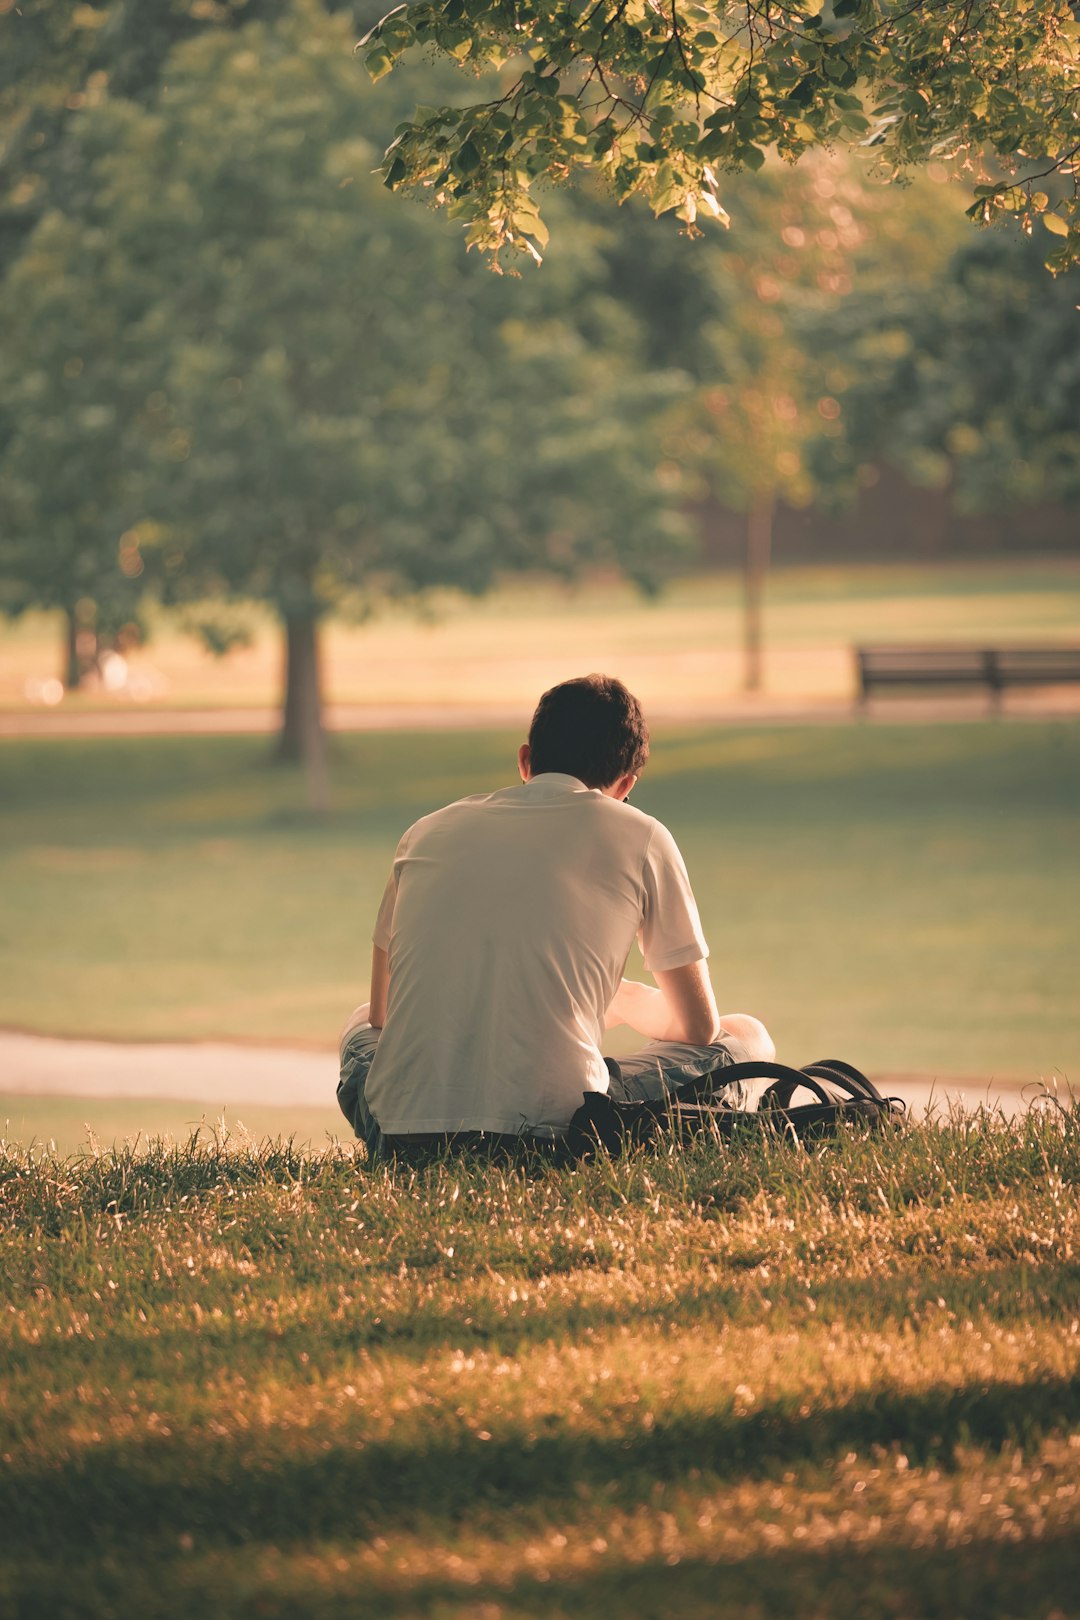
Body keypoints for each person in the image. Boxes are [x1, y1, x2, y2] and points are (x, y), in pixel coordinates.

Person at [337, 674, 774, 1157]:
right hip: (563, 1136)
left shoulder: (424, 832)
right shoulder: (642, 836)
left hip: (400, 1138)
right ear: (626, 784)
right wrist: (618, 998)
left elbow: (382, 1013)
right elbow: (698, 1029)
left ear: (526, 760)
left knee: (360, 1023)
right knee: (747, 1037)